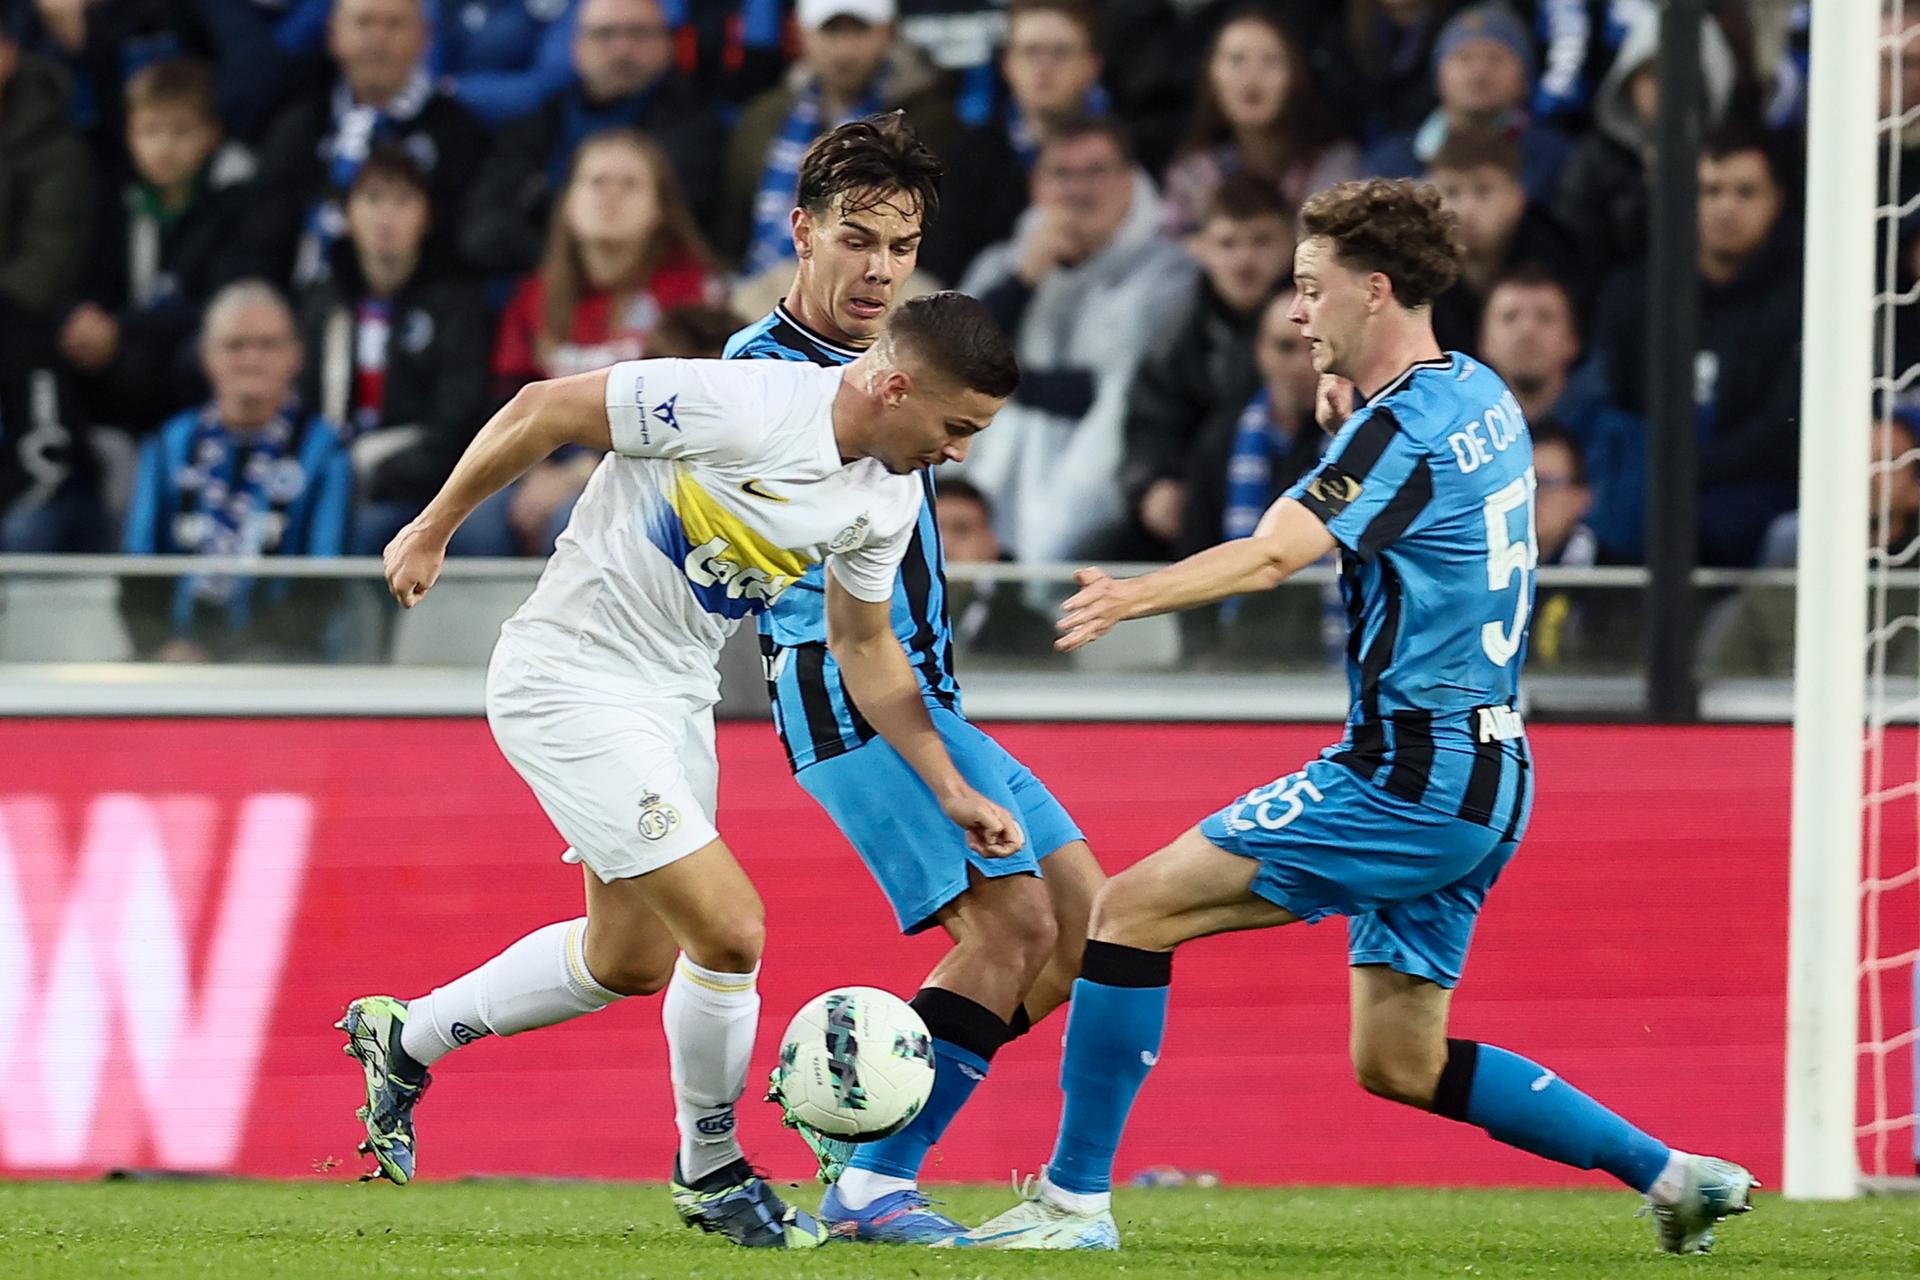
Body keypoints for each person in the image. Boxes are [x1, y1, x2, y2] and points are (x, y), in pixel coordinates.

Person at [945, 178, 1754, 1255]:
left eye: (1309, 288)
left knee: (1127, 910)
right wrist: (1347, 422)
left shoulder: (1396, 432)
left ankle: (1073, 1203)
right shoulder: (1478, 393)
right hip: (1494, 770)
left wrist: (1136, 590)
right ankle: (1673, 1174)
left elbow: (1281, 549)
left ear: (1373, 291)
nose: (1293, 313)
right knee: (1399, 1060)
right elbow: (1409, 483)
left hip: (1405, 772)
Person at [337, 291, 1024, 1252]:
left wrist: (949, 789)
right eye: (955, 426)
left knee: (628, 960)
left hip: (675, 699)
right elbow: (544, 406)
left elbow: (866, 646)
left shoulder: (887, 493)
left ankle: (406, 1038)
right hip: (569, 675)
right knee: (731, 928)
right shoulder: (739, 401)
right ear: (895, 384)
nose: (958, 453)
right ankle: (711, 1169)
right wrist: (433, 527)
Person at [726, 114, 1105, 1244]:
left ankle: (864, 1126)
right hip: (846, 695)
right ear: (802, 232)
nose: (879, 267)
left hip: (925, 688)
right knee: (1011, 929)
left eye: (900, 245)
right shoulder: (761, 375)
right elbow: (838, 612)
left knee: (1095, 924)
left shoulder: (892, 363)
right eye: (857, 240)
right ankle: (874, 1178)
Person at [959, 115, 1195, 561]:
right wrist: (1025, 279)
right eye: (1061, 175)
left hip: (1116, 515)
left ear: (1129, 182)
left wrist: (1005, 385)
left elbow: (1116, 391)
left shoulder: (1170, 272)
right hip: (993, 504)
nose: (1077, 191)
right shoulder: (1001, 265)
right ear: (1036, 186)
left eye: (1095, 173)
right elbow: (953, 364)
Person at [494, 127, 726, 554]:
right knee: (480, 525)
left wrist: (576, 475)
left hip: (650, 467)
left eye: (630, 185)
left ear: (660, 207)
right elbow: (510, 400)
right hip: (547, 459)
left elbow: (689, 415)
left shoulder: (693, 294)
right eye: (597, 182)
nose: (610, 196)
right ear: (568, 203)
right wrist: (533, 473)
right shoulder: (535, 296)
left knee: (575, 520)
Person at [1588, 124, 1801, 567]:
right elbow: (1609, 399)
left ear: (1776, 201)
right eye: (1711, 191)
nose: (1726, 207)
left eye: (1745, 192)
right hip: (1646, 484)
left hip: (1759, 491)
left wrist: (1690, 467)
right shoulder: (1635, 293)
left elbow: (1783, 429)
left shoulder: (1803, 297)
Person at [120, 280, 353, 661]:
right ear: (206, 356)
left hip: (285, 664)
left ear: (295, 356)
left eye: (267, 344)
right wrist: (162, 646)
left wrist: (242, 654)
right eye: (235, 345)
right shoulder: (168, 446)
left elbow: (324, 585)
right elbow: (138, 569)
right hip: (174, 662)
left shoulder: (327, 452)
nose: (251, 359)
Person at [295, 146, 505, 557]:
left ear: (427, 217)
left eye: (403, 200)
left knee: (366, 520)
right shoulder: (322, 302)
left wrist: (376, 470)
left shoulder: (458, 303)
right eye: (372, 199)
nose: (385, 216)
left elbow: (459, 422)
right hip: (340, 469)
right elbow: (305, 402)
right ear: (348, 214)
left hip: (424, 480)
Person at [60, 58, 257, 437]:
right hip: (128, 343)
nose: (163, 147)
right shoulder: (119, 198)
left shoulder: (242, 197)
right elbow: (94, 283)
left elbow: (227, 300)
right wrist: (85, 319)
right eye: (149, 131)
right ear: (129, 136)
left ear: (212, 134)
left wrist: (123, 328)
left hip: (187, 349)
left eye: (180, 132)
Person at [458, 0, 725, 277]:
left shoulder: (695, 127)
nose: (623, 48)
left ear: (668, 44)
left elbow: (673, 229)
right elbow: (481, 234)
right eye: (605, 34)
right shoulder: (540, 123)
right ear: (577, 48)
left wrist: (542, 212)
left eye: (639, 33)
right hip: (531, 294)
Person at [251, 0, 488, 287]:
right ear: (333, 35)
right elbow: (262, 234)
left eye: (393, 24)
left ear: (425, 36)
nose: (378, 38)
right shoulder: (299, 126)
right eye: (364, 23)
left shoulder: (458, 132)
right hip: (303, 310)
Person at [721, 0, 962, 276]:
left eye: (859, 31)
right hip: (764, 288)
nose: (845, 51)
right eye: (831, 32)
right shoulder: (763, 118)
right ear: (802, 34)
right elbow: (733, 230)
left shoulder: (930, 123)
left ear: (888, 33)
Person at [1125, 172, 1296, 560]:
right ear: (1199, 248)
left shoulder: (1315, 321)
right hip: (1199, 508)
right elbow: (1150, 418)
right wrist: (1154, 482)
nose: (1244, 260)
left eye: (1261, 241)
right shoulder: (1176, 330)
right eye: (1228, 243)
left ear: (1292, 243)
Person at [920, 0, 1107, 287]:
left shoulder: (1126, 151)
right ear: (1008, 64)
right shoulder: (966, 156)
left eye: (1061, 53)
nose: (1044, 68)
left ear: (1092, 66)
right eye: (1031, 52)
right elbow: (941, 269)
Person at [0, 27, 96, 552]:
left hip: (32, 339)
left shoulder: (54, 145)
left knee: (26, 527)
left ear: (9, 51)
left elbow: (46, 267)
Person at [1478, 267, 1643, 563]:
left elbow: (1627, 537)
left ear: (1573, 341)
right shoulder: (1457, 439)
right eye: (1510, 317)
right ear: (1483, 342)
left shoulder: (1619, 440)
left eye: (1545, 317)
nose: (1527, 330)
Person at [1550, 7, 1735, 269]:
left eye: (1679, 73)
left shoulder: (1734, 158)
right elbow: (1574, 249)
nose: (1665, 87)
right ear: (1628, 81)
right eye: (1651, 74)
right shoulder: (1596, 159)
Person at [1159, 6, 1362, 238]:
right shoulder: (1192, 175)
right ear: (1211, 77)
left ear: (1296, 77)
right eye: (1236, 60)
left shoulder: (1334, 169)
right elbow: (1173, 252)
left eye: (1270, 60)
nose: (1252, 77)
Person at [1364, 2, 1573, 205]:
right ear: (1438, 77)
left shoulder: (1557, 160)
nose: (1479, 73)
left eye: (1495, 59)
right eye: (1464, 58)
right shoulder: (1391, 161)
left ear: (1525, 79)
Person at [1423, 126, 1585, 355]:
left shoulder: (1565, 260)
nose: (1465, 210)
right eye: (1451, 192)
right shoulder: (1415, 276)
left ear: (1517, 197)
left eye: (1483, 191)